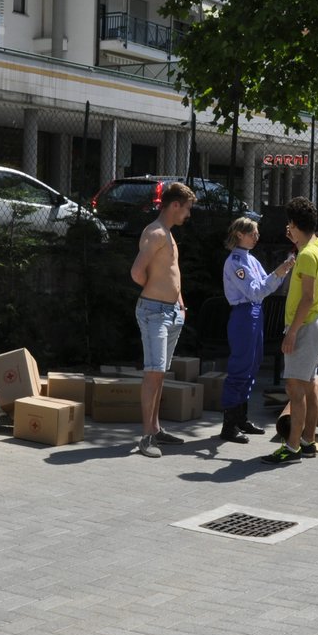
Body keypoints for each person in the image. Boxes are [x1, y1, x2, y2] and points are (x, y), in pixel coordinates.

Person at [262, 196, 318, 465]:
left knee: (295, 388)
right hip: (314, 325)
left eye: (289, 225)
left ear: (294, 225)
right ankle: (307, 441)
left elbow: (307, 298)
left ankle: (292, 448)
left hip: (304, 327)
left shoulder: (307, 255)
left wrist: (291, 333)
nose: (287, 229)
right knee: (310, 384)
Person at [129, 181, 196, 458]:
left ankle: (155, 429)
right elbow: (137, 272)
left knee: (159, 374)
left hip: (170, 312)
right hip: (154, 311)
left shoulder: (167, 233)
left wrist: (178, 303)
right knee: (153, 372)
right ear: (175, 205)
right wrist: (154, 293)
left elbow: (171, 272)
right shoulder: (156, 233)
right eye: (187, 208)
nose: (188, 214)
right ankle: (146, 437)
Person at [219, 218, 295, 443]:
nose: (257, 236)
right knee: (241, 365)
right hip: (244, 314)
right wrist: (279, 272)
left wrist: (280, 272)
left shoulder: (250, 259)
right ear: (240, 234)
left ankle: (241, 417)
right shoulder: (235, 261)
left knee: (252, 364)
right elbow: (256, 291)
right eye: (253, 233)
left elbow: (265, 284)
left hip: (254, 312)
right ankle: (229, 424)